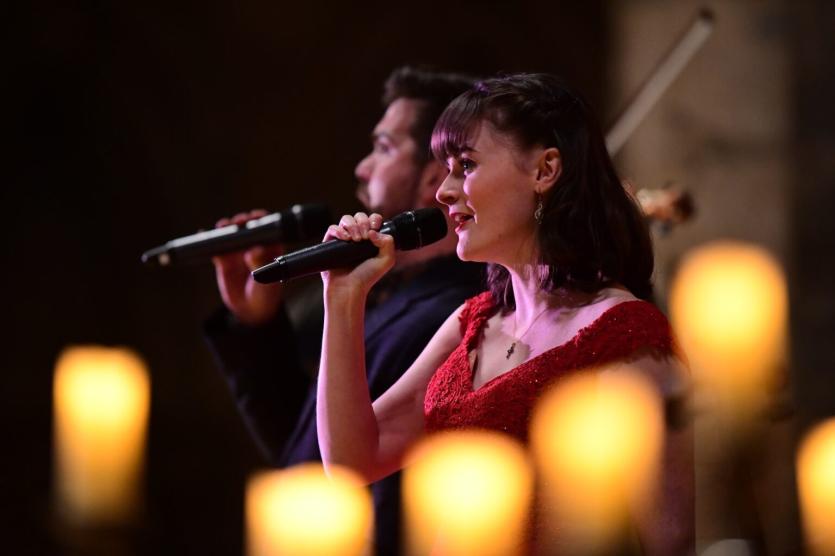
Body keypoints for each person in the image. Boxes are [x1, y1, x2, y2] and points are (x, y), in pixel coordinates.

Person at [316, 73, 694, 554]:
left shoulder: (626, 334)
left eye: (466, 165)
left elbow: (673, 541)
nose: (444, 192)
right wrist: (342, 299)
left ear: (545, 170)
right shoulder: (472, 324)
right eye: (446, 168)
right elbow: (352, 461)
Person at [203, 67, 484, 555]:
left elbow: (383, 494)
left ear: (435, 178)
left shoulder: (449, 315)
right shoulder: (390, 296)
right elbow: (312, 447)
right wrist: (258, 325)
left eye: (384, 148)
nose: (361, 167)